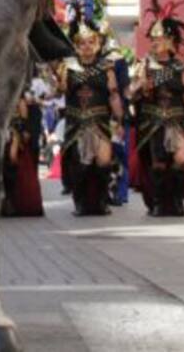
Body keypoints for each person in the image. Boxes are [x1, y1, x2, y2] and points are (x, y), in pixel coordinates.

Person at [130, 0, 184, 218]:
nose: (155, 42)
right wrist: (140, 86)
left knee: (181, 160)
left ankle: (175, 200)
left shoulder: (179, 66)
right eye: (153, 39)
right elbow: (131, 93)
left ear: (170, 41)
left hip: (176, 119)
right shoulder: (144, 65)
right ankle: (158, 202)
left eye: (159, 39)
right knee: (158, 162)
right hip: (152, 120)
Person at [55, 11, 120, 216]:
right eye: (82, 43)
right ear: (75, 46)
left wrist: (121, 119)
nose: (87, 46)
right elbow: (59, 92)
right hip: (77, 122)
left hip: (100, 121)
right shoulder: (68, 67)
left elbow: (113, 94)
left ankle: (101, 201)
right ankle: (80, 203)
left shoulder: (106, 67)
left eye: (91, 42)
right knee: (80, 165)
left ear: (98, 44)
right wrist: (56, 76)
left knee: (103, 163)